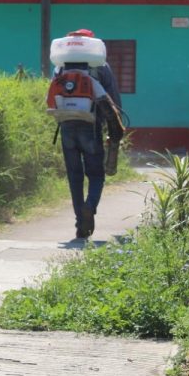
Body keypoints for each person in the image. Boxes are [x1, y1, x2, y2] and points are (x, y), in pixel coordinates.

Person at [47, 32, 124, 239]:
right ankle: (89, 206)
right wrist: (115, 132)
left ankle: (80, 223)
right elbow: (112, 100)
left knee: (74, 177)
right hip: (91, 127)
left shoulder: (59, 68)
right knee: (96, 174)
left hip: (66, 128)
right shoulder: (100, 67)